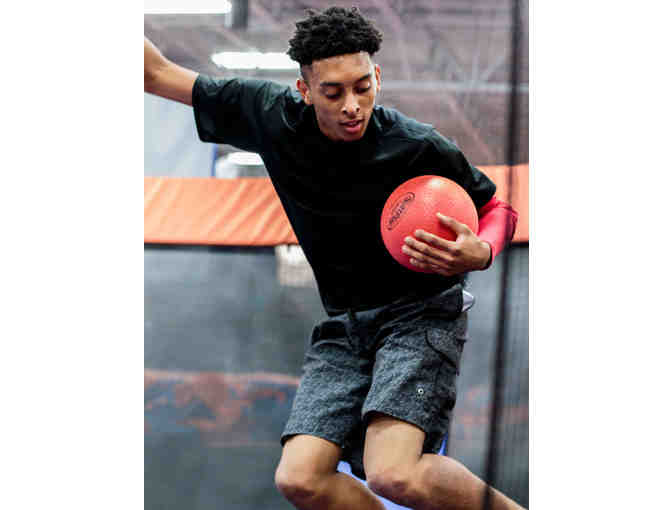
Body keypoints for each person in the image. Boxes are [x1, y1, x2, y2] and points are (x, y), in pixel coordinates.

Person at [145, 6, 521, 510]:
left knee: (394, 474)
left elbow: (497, 207)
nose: (352, 105)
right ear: (304, 90)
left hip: (419, 315)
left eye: (363, 87)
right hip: (345, 327)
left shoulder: (415, 144)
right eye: (333, 92)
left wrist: (482, 249)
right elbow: (156, 73)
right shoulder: (270, 114)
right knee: (301, 478)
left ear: (377, 77)